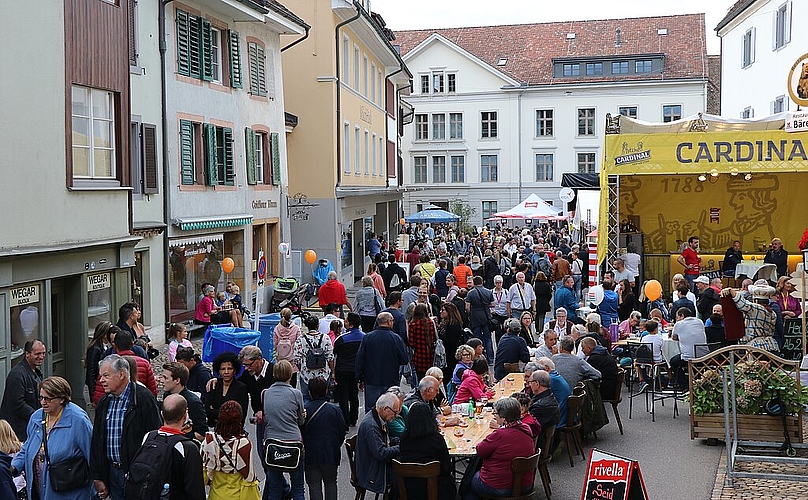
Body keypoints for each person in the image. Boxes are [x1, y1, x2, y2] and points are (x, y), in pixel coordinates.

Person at [91, 355, 162, 500]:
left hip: (137, 474)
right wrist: (97, 476)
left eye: (106, 375)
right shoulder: (104, 402)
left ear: (121, 374)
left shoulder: (143, 398)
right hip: (112, 473)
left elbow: (155, 440)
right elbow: (97, 442)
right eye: (101, 376)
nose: (101, 380)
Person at [10, 376, 93, 499]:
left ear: (61, 399)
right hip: (38, 489)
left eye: (48, 399)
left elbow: (92, 455)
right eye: (41, 398)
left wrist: (98, 484)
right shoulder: (36, 417)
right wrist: (14, 467)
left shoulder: (78, 420)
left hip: (70, 492)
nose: (43, 402)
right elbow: (27, 446)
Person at [464, 397, 535, 500]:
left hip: (500, 487)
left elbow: (480, 450)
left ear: (504, 418)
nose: (494, 416)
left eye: (495, 414)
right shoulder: (526, 428)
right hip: (525, 485)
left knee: (469, 481)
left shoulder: (500, 435)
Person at [140, 394, 206, 499]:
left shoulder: (148, 437)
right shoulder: (188, 447)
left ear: (162, 414)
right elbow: (195, 490)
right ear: (185, 416)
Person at [262, 360, 306, 500]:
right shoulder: (295, 393)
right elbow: (300, 421)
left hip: (272, 443)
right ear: (289, 374)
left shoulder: (265, 393)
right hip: (293, 442)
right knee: (298, 488)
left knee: (275, 489)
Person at [201, 400, 260, 500]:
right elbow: (249, 477)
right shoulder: (243, 443)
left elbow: (203, 472)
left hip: (215, 494)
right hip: (238, 495)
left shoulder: (209, 440)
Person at [398, 402, 456, 499]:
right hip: (436, 488)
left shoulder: (404, 438)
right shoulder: (436, 438)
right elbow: (447, 468)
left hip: (409, 487)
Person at [302, 377, 347, 500]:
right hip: (330, 453)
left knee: (314, 485)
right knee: (331, 483)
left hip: (311, 454)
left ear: (309, 392)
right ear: (326, 390)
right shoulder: (335, 409)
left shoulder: (305, 410)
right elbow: (342, 431)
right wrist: (335, 444)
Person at [356, 312, 409, 413]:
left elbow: (360, 359)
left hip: (371, 379)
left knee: (371, 409)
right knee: (389, 409)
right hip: (390, 379)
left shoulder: (368, 337)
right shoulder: (396, 338)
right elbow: (404, 359)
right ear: (389, 322)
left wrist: (359, 378)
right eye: (392, 320)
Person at [356, 392, 401, 496]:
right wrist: (402, 447)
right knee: (404, 475)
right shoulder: (371, 426)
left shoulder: (377, 417)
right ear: (386, 409)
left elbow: (387, 441)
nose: (396, 416)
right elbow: (381, 453)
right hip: (372, 472)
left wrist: (400, 441)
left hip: (372, 465)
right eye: (395, 412)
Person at [0, 339, 45, 442]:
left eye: (43, 353)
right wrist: (39, 417)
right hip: (18, 432)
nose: (41, 357)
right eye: (38, 354)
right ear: (27, 354)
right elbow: (18, 404)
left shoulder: (35, 373)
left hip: (28, 428)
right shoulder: (17, 375)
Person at [94, 330, 158, 402]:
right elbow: (153, 390)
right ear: (132, 344)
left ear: (115, 345)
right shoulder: (144, 363)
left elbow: (99, 394)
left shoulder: (107, 365)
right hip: (140, 404)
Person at [722, 284, 780, 352]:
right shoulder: (773, 313)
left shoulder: (757, 309)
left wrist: (731, 291)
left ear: (755, 301)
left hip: (757, 347)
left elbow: (743, 304)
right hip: (772, 345)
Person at [160, 362, 207, 440]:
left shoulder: (193, 402)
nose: (161, 380)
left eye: (165, 378)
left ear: (177, 380)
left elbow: (202, 433)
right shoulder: (167, 395)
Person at [294, 314, 335, 403]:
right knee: (325, 398)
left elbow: (296, 358)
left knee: (306, 398)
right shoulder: (325, 338)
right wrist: (332, 372)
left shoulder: (301, 339)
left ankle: (308, 415)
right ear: (317, 326)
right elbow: (330, 357)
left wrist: (301, 368)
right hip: (323, 374)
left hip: (307, 375)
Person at [333, 313, 364, 426]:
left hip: (342, 370)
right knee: (354, 395)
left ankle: (345, 420)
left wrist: (333, 372)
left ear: (350, 325)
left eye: (345, 321)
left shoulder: (341, 339)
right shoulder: (364, 337)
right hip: (355, 371)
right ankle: (353, 418)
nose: (344, 323)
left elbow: (334, 354)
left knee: (343, 396)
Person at [206, 351, 249, 427]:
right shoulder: (214, 385)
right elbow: (207, 411)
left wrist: (216, 413)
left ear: (235, 370)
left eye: (229, 369)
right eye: (223, 369)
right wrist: (228, 414)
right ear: (219, 371)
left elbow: (240, 415)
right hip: (214, 429)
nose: (226, 372)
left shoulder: (241, 388)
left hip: (233, 431)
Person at [669, 308, 707, 387]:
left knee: (673, 362)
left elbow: (673, 337)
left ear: (682, 316)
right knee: (692, 357)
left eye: (677, 317)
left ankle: (685, 386)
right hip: (705, 356)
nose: (677, 319)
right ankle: (698, 382)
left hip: (689, 358)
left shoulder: (679, 324)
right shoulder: (700, 322)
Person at [466, 275, 495, 363]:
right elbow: (493, 304)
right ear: (482, 282)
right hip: (486, 316)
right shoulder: (488, 292)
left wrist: (469, 314)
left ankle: (478, 358)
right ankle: (490, 359)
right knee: (488, 338)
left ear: (474, 283)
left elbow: (467, 307)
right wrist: (486, 306)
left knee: (477, 339)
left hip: (475, 317)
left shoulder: (471, 293)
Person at [528, 369, 561, 440]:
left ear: (537, 384)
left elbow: (529, 427)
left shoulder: (540, 406)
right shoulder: (549, 396)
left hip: (538, 442)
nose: (529, 385)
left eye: (530, 382)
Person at [408, 303, 437, 382]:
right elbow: (435, 337)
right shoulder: (431, 323)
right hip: (430, 354)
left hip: (419, 356)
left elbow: (411, 343)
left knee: (420, 378)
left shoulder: (413, 325)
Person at [438, 302, 465, 383]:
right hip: (447, 356)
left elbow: (451, 341)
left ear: (449, 312)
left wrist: (439, 336)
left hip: (451, 356)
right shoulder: (444, 323)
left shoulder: (453, 325)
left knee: (449, 378)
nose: (440, 312)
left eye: (443, 310)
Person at [86, 321, 112, 407]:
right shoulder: (95, 349)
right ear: (105, 334)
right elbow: (91, 372)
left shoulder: (106, 347)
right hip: (93, 388)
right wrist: (93, 396)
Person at [274, 308, 300, 385]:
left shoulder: (276, 329)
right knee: (292, 383)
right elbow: (298, 344)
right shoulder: (296, 328)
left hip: (281, 361)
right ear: (290, 316)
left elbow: (275, 344)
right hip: (292, 361)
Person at [490, 275, 509, 344]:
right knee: (497, 331)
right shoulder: (491, 292)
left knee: (505, 330)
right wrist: (491, 311)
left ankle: (505, 344)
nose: (498, 284)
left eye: (500, 282)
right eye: (497, 282)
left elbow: (509, 302)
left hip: (505, 313)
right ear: (494, 283)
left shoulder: (506, 292)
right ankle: (498, 344)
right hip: (496, 314)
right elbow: (488, 303)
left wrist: (509, 312)